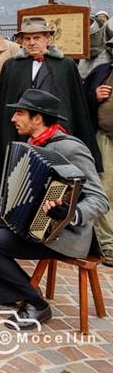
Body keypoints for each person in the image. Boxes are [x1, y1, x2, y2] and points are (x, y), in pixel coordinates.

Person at [0, 89, 109, 326]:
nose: (13, 119)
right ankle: (11, 290)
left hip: (59, 233)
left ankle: (36, 304)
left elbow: (99, 199)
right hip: (28, 221)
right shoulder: (32, 143)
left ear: (37, 118)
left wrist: (70, 213)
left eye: (19, 113)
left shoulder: (70, 149)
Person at [0, 17, 101, 174]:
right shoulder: (12, 66)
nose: (32, 42)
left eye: (37, 38)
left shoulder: (65, 65)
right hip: (20, 134)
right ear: (21, 41)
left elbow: (76, 104)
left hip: (55, 134)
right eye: (27, 38)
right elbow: (3, 104)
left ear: (47, 38)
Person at [84, 34, 113, 266]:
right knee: (105, 189)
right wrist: (94, 96)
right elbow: (83, 99)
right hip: (104, 138)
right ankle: (109, 244)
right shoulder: (102, 71)